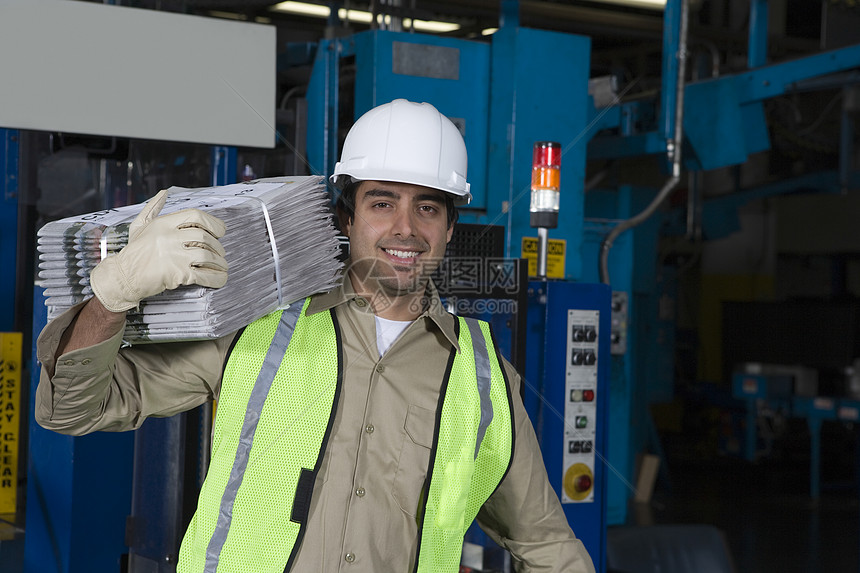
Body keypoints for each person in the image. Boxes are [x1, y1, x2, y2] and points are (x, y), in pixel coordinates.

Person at [35, 99, 596, 573]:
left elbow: (544, 541)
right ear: (346, 218)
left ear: (450, 228)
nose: (405, 228)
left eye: (427, 207)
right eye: (382, 202)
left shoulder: (484, 376)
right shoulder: (254, 323)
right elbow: (71, 410)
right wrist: (112, 296)